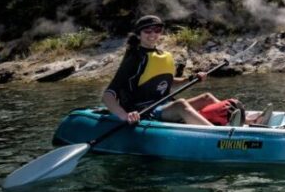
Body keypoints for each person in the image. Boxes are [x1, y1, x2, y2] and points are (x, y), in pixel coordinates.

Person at [103, 15, 269, 126]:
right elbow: (109, 95)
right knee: (181, 104)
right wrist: (125, 116)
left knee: (206, 97)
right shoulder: (134, 59)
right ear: (139, 34)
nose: (153, 34)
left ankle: (248, 122)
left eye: (157, 30)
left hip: (164, 106)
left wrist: (190, 79)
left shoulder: (162, 55)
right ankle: (217, 134)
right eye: (147, 30)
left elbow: (167, 83)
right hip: (144, 111)